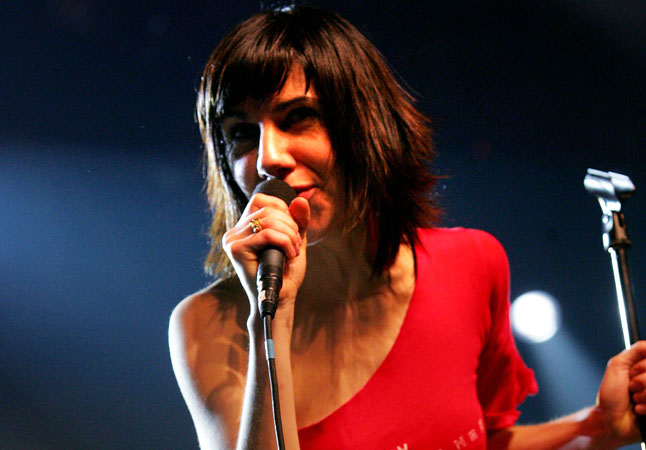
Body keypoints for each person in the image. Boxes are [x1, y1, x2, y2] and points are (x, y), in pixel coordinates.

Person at [169, 5, 646, 449]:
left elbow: (485, 441)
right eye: (241, 133)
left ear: (365, 124)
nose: (268, 158)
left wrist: (599, 427)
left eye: (299, 118)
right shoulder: (209, 326)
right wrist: (272, 315)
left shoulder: (471, 265)